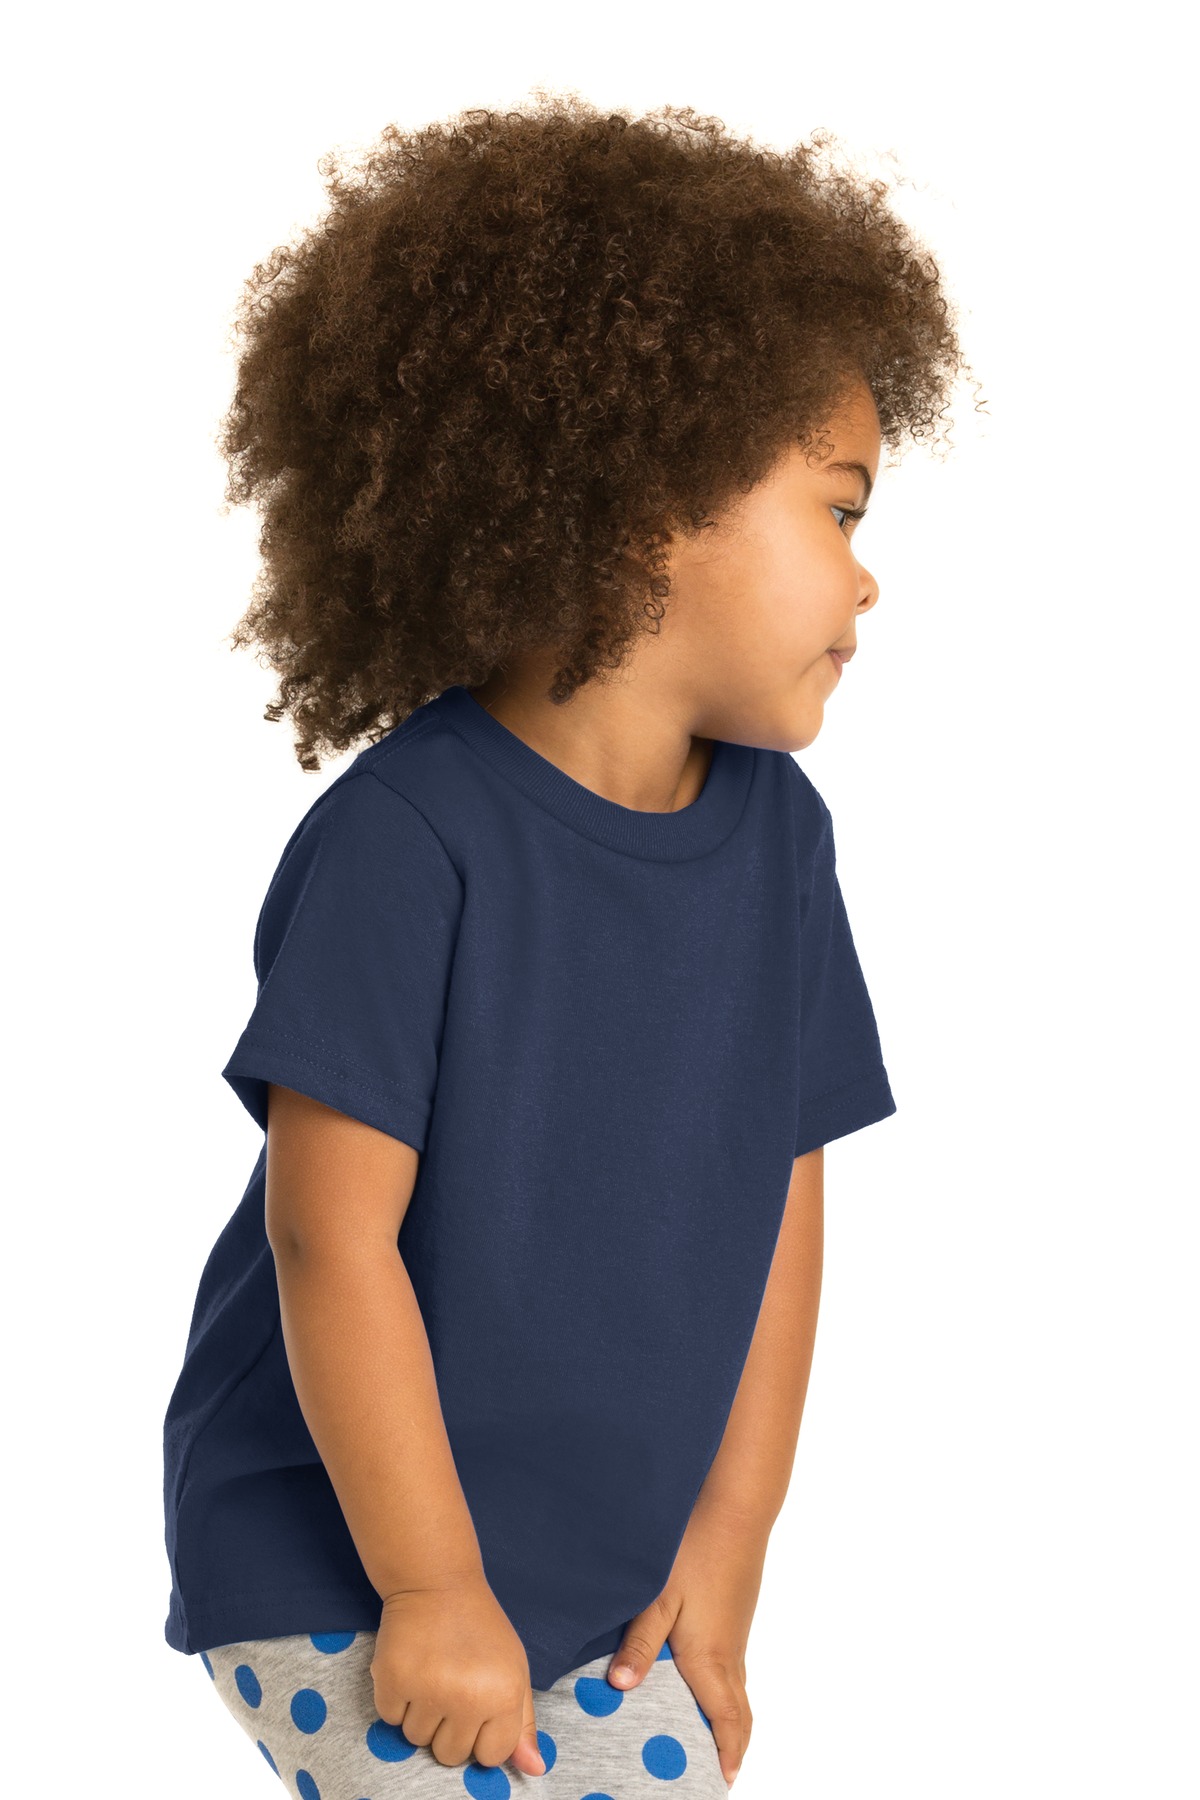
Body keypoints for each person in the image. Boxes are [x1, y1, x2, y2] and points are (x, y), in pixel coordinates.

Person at [162, 94, 970, 1799]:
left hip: (594, 1576)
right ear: (644, 499)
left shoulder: (781, 842)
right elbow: (327, 1236)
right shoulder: (413, 838)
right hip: (342, 1552)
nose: (867, 582)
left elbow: (787, 1201)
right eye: (839, 512)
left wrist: (728, 1546)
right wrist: (429, 1586)